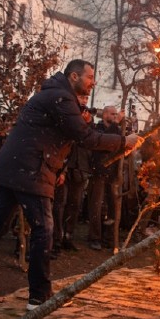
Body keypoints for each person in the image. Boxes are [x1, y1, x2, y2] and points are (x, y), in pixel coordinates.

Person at [0, 60, 143, 314]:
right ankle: (40, 297)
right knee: (44, 230)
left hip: (15, 169)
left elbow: (63, 133)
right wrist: (123, 141)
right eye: (90, 76)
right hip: (30, 171)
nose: (93, 81)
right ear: (74, 76)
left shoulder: (56, 96)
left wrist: (80, 123)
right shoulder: (61, 98)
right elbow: (85, 138)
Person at [52, 94, 94, 254]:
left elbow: (91, 139)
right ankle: (56, 239)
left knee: (75, 205)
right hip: (64, 168)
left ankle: (68, 237)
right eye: (81, 98)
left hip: (81, 168)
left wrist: (88, 123)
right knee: (59, 205)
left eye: (85, 98)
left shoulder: (88, 121)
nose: (83, 101)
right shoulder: (67, 115)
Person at [87, 105, 123, 251]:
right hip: (99, 171)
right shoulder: (97, 129)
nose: (115, 116)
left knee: (112, 207)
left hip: (113, 174)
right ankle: (95, 237)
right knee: (96, 206)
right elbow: (105, 141)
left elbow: (120, 144)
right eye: (112, 114)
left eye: (116, 114)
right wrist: (115, 125)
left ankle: (109, 237)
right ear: (105, 114)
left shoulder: (117, 130)